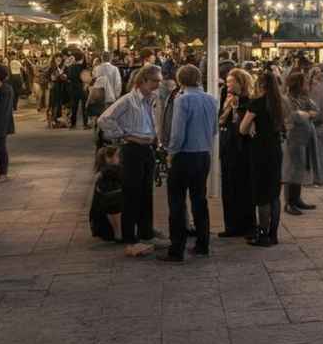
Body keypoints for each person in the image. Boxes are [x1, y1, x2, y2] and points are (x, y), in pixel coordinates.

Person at [98, 64, 165, 257]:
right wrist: (125, 136)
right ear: (143, 81)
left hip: (147, 149)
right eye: (154, 81)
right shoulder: (128, 100)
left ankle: (145, 232)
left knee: (146, 193)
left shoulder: (150, 100)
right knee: (131, 194)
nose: (157, 85)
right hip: (132, 150)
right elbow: (105, 120)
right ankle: (130, 239)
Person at [158, 64, 218, 263]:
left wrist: (170, 154)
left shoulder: (182, 100)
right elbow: (214, 129)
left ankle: (177, 249)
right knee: (199, 200)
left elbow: (177, 133)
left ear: (180, 80)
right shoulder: (211, 99)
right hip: (203, 154)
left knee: (176, 202)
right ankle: (203, 244)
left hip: (184, 155)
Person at [241, 69, 288, 247]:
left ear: (260, 85)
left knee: (262, 194)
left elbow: (242, 129)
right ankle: (273, 233)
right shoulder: (280, 103)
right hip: (275, 149)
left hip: (260, 150)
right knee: (274, 192)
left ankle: (263, 233)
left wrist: (252, 124)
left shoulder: (257, 103)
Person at [219, 67, 256, 238]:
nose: (227, 85)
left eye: (230, 82)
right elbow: (220, 121)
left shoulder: (248, 101)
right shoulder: (225, 98)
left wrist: (235, 108)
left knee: (244, 187)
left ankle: (248, 226)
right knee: (228, 187)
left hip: (243, 149)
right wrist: (227, 108)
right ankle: (231, 226)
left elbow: (245, 127)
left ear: (240, 83)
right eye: (226, 82)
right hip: (228, 148)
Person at [282, 71, 318, 216]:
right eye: (304, 82)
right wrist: (305, 114)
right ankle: (289, 203)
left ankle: (297, 199)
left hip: (304, 137)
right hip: (294, 138)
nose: (307, 85)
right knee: (292, 170)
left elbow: (316, 111)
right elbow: (293, 116)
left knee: (300, 168)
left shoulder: (304, 98)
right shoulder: (287, 99)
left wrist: (306, 114)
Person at [89, 146, 125, 242]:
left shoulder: (104, 172)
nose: (120, 158)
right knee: (115, 199)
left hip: (101, 228)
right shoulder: (110, 173)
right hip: (107, 230)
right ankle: (119, 234)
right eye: (117, 156)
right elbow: (112, 205)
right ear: (110, 158)